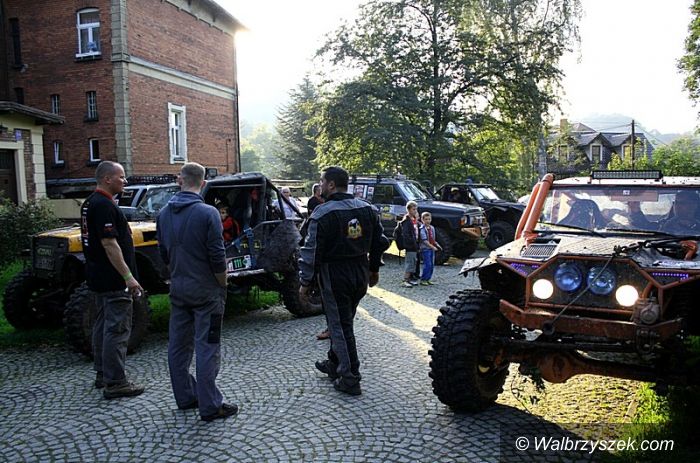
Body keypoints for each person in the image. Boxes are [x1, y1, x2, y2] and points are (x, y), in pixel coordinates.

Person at [156, 162, 238, 422]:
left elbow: (163, 254)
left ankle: (185, 396)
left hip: (178, 288)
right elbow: (217, 255)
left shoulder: (163, 213)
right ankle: (210, 405)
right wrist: (223, 283)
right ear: (203, 183)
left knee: (178, 346)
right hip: (206, 291)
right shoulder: (208, 213)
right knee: (208, 346)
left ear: (180, 180)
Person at [299, 166, 389, 395]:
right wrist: (374, 269)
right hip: (359, 271)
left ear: (331, 184)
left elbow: (312, 251)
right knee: (342, 322)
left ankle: (350, 377)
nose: (320, 185)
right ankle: (334, 363)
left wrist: (305, 282)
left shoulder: (322, 213)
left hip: (335, 274)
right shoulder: (368, 209)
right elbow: (380, 241)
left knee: (340, 326)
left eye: (322, 181)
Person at [80, 160, 145, 399]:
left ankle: (102, 373)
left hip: (98, 276)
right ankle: (116, 382)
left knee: (102, 325)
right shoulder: (104, 205)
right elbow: (109, 243)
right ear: (107, 179)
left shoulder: (89, 202)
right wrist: (128, 276)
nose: (125, 181)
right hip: (114, 279)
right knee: (117, 329)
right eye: (121, 177)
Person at [399, 201, 421, 287]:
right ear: (408, 210)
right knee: (410, 262)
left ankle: (411, 279)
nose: (415, 211)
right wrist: (412, 243)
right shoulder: (406, 221)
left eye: (416, 209)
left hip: (415, 244)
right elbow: (406, 234)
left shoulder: (414, 220)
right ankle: (405, 279)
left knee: (414, 262)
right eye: (413, 209)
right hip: (410, 245)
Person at [419, 212, 441, 285]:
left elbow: (432, 238)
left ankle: (428, 278)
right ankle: (423, 279)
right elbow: (424, 240)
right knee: (427, 264)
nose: (428, 221)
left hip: (431, 249)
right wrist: (432, 247)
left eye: (429, 219)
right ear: (422, 220)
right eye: (426, 219)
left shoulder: (432, 228)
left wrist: (436, 244)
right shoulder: (422, 229)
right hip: (426, 249)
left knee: (432, 264)